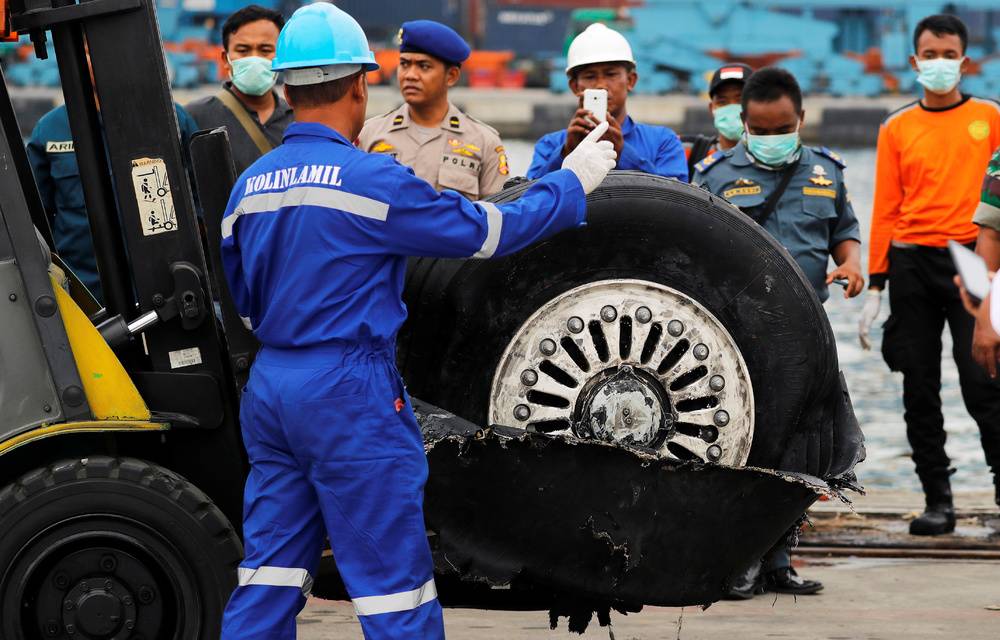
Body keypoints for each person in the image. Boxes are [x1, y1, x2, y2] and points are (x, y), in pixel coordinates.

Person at [217, 3, 617, 638]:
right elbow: (491, 230)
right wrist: (573, 182)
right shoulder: (372, 178)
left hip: (272, 389)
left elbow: (239, 296)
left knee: (269, 571)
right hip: (347, 391)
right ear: (358, 85)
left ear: (287, 90)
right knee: (391, 586)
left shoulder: (251, 185)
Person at [693, 66, 863, 598]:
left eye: (781, 128)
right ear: (743, 124)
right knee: (748, 447)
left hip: (809, 334)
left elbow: (845, 231)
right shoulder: (715, 176)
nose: (771, 139)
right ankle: (740, 558)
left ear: (801, 119)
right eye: (760, 130)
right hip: (742, 337)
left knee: (802, 449)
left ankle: (780, 561)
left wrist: (852, 265)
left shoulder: (825, 172)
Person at [856, 14, 1000, 536]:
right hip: (912, 262)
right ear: (915, 62)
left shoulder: (990, 117)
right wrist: (876, 283)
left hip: (973, 258)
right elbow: (885, 208)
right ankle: (938, 502)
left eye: (949, 55)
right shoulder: (896, 126)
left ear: (965, 61)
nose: (939, 64)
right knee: (919, 386)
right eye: (930, 56)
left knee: (984, 379)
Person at [26, 85, 197, 304]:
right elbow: (37, 218)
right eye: (85, 50)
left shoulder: (170, 117)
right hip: (86, 292)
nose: (91, 57)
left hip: (166, 287)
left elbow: (200, 202)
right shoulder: (50, 130)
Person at [358, 20, 508, 201]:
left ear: (451, 76)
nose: (410, 75)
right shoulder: (370, 134)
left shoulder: (484, 142)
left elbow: (498, 215)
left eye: (424, 66)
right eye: (405, 64)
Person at [526, 23, 687, 181]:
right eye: (590, 76)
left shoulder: (664, 142)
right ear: (575, 86)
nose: (601, 85)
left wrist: (623, 154)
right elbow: (528, 200)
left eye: (611, 74)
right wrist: (567, 153)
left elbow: (679, 201)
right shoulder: (550, 145)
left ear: (631, 80)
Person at [186, 5, 292, 176]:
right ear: (225, 59)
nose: (254, 59)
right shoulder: (194, 118)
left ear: (280, 57)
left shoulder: (298, 119)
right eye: (243, 50)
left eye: (265, 50)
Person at [684, 63, 754, 180]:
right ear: (712, 109)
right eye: (722, 102)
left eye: (740, 99)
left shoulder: (771, 157)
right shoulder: (689, 152)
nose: (732, 107)